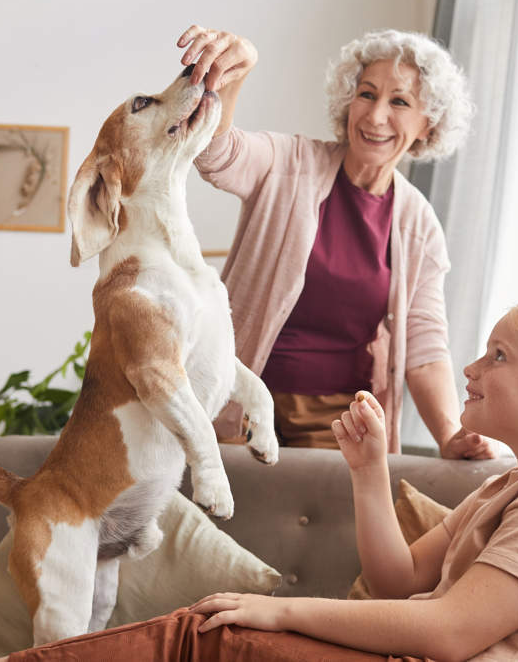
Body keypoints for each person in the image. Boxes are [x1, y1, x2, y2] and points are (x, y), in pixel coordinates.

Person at [0, 299, 518, 661]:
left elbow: (450, 632)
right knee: (209, 635)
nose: (471, 365)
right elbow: (398, 582)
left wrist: (277, 606)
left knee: (209, 634)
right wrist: (364, 471)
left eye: (499, 355)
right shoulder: (514, 485)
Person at [178, 25, 495, 459]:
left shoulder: (418, 225)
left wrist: (448, 435)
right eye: (366, 94)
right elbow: (215, 155)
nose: (375, 115)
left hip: (336, 422)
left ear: (428, 125)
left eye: (399, 101)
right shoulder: (289, 163)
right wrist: (235, 74)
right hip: (236, 399)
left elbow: (424, 347)